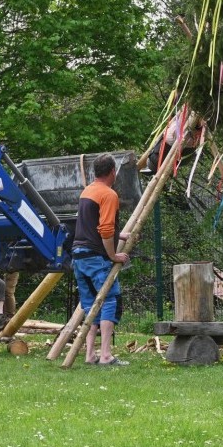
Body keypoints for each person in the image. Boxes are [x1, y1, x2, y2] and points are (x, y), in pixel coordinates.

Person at [72, 153, 131, 366]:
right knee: (109, 300)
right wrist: (113, 255)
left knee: (90, 305)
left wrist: (119, 235)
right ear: (113, 172)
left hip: (79, 256)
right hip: (96, 258)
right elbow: (104, 229)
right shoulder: (109, 194)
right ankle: (106, 355)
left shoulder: (87, 191)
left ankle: (90, 355)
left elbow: (91, 225)